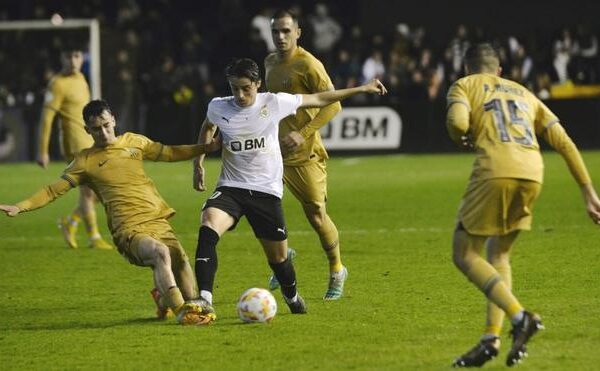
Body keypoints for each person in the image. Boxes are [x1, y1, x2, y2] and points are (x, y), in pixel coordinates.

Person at [192, 58, 386, 318]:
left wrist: (361, 89)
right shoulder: (218, 106)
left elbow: (318, 99)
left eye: (246, 88)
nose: (239, 94)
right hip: (231, 187)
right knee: (208, 225)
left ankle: (291, 295)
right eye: (234, 88)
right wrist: (199, 162)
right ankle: (204, 299)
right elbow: (208, 127)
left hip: (265, 192)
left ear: (258, 84)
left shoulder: (273, 102)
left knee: (279, 260)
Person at [446, 43, 600, 367]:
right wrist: (588, 191)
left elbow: (458, 123)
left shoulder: (464, 85)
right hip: (533, 172)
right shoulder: (523, 92)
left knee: (464, 252)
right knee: (499, 253)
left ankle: (520, 318)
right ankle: (491, 338)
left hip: (495, 170)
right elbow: (564, 141)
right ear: (499, 70)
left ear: (467, 69)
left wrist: (460, 134)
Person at [1, 99, 221, 326]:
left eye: (106, 125)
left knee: (181, 261)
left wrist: (205, 148)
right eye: (96, 129)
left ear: (114, 120)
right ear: (87, 130)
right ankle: (183, 314)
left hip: (157, 220)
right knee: (160, 253)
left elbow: (170, 152)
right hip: (127, 229)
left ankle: (174, 300)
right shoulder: (84, 161)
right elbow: (52, 190)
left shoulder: (134, 141)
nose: (104, 132)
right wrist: (21, 206)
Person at [264, 9, 347, 300]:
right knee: (262, 210)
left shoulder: (309, 64)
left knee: (316, 215)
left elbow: (333, 104)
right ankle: (282, 259)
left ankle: (337, 269)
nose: (280, 37)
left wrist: (304, 132)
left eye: (286, 31)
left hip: (305, 155)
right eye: (275, 31)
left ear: (298, 33)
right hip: (273, 153)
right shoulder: (270, 62)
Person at [37, 46, 112, 250]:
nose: (73, 60)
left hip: (90, 141)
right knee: (88, 192)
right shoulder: (57, 84)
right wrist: (42, 150)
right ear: (62, 57)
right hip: (73, 144)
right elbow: (47, 118)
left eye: (77, 55)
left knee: (101, 190)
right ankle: (94, 238)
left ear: (82, 58)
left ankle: (70, 222)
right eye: (69, 55)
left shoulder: (81, 79)